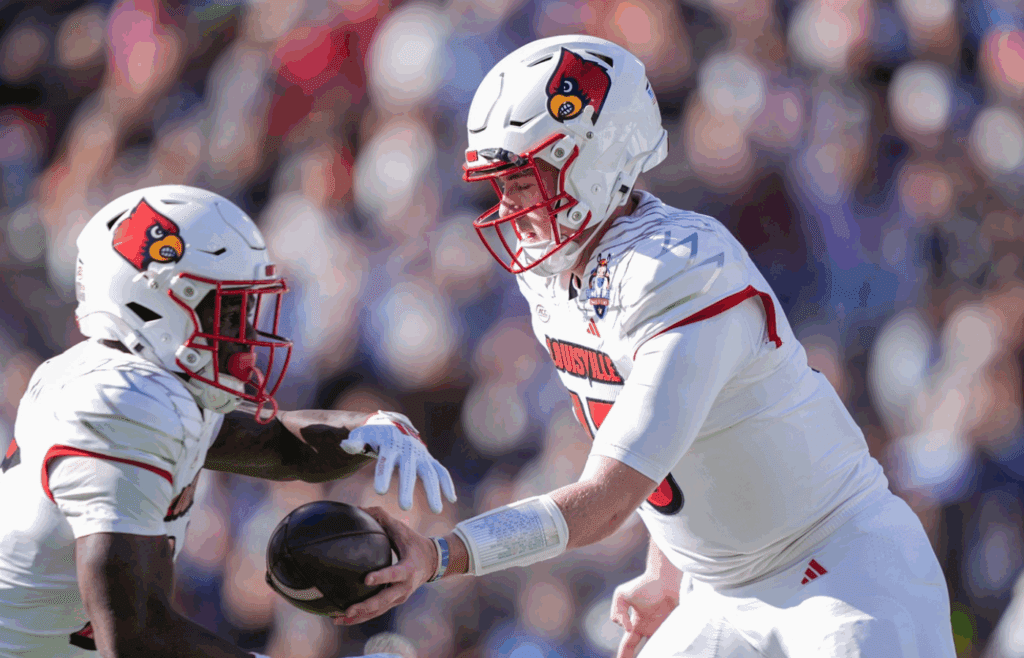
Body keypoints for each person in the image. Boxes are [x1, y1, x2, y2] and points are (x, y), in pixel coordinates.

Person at [331, 35, 957, 658]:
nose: (511, 205)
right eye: (503, 182)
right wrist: (667, 569)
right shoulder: (554, 270)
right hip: (719, 589)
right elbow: (663, 433)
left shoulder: (680, 268)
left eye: (527, 177)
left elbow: (605, 501)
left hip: (841, 570)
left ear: (595, 157)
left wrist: (442, 554)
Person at [0, 185, 456, 658]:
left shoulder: (134, 385)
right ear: (155, 305)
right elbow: (136, 637)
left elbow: (278, 445)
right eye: (228, 310)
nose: (247, 335)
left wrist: (369, 430)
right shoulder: (122, 402)